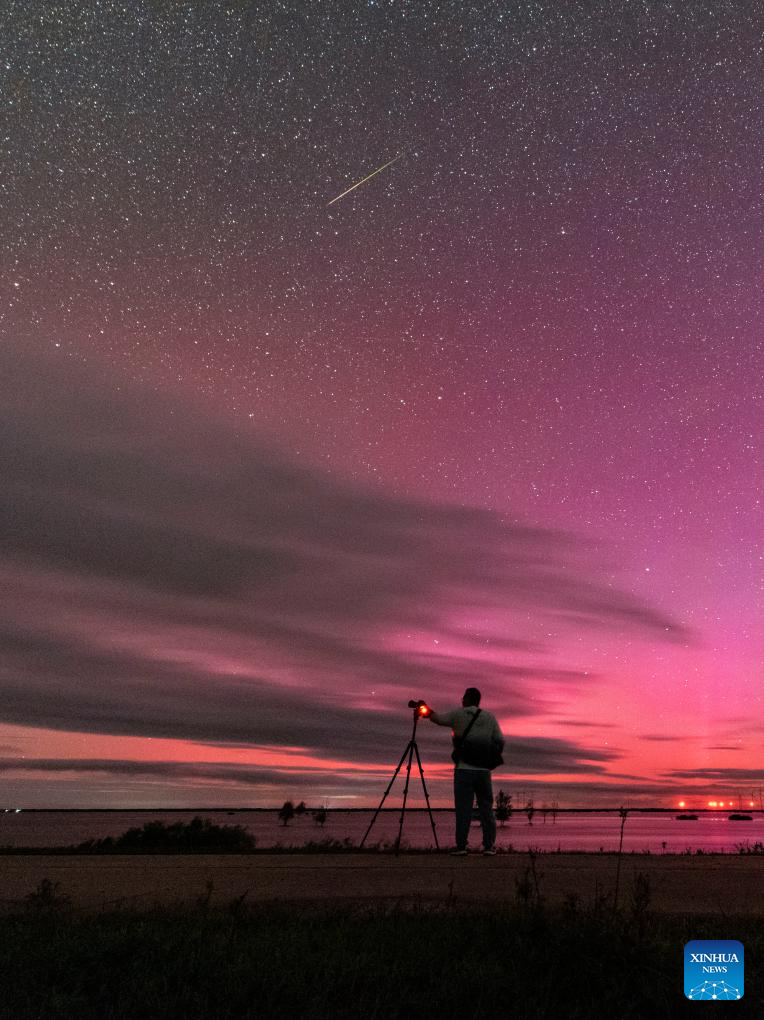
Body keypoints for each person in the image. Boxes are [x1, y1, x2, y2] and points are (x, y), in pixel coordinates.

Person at [428, 687, 504, 855]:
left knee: (463, 809)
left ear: (468, 699)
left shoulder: (458, 714)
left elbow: (438, 719)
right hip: (484, 771)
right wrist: (490, 757)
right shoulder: (490, 718)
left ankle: (462, 846)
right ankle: (489, 847)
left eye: (463, 697)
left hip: (463, 770)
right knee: (486, 808)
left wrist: (426, 710)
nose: (461, 700)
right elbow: (500, 741)